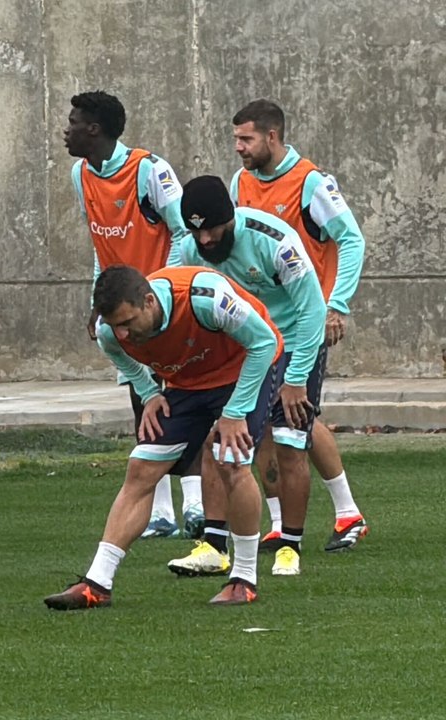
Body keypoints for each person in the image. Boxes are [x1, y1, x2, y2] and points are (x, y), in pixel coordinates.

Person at [43, 264, 283, 610]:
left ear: (149, 301)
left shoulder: (206, 299)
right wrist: (149, 392)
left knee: (230, 461)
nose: (123, 334)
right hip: (188, 383)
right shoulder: (109, 332)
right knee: (141, 468)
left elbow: (264, 343)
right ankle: (97, 583)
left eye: (128, 322)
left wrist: (234, 412)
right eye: (115, 325)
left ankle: (244, 580)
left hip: (246, 370)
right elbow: (120, 356)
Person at [166, 176, 327, 578]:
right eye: (197, 231)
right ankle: (213, 546)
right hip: (243, 348)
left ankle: (289, 545)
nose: (205, 240)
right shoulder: (188, 249)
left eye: (212, 230)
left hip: (292, 341)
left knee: (289, 442)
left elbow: (312, 310)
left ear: (230, 218)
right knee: (218, 439)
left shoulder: (276, 241)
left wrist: (296, 378)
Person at [230, 99, 369, 552]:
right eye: (236, 139)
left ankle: (345, 514)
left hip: (304, 323)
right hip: (259, 330)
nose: (239, 147)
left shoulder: (310, 182)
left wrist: (335, 305)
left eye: (246, 139)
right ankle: (284, 522)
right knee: (274, 425)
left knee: (294, 423)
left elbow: (351, 239)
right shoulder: (240, 183)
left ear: (271, 136)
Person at [65, 90, 201, 539]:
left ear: (94, 129)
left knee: (183, 397)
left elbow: (183, 231)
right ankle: (161, 513)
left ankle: (196, 505)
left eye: (73, 122)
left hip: (159, 306)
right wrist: (97, 298)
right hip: (122, 309)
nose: (66, 130)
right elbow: (100, 243)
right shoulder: (81, 174)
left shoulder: (149, 170)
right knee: (144, 400)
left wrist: (161, 290)